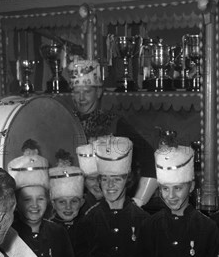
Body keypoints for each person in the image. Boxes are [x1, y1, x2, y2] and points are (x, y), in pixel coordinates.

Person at [67, 58, 158, 207]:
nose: (81, 98)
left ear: (99, 92)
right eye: (77, 92)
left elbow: (149, 158)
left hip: (113, 206)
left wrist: (139, 201)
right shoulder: (66, 123)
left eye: (87, 91)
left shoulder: (114, 123)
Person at [136, 141, 219, 257]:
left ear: (192, 186)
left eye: (178, 188)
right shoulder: (149, 225)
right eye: (165, 189)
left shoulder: (207, 227)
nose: (171, 196)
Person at [76, 136, 150, 257]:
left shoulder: (143, 220)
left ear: (127, 180)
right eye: (104, 179)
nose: (110, 185)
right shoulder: (89, 219)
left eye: (117, 179)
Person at [8, 142, 78, 257]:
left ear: (48, 199)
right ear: (16, 202)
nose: (35, 205)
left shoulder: (58, 232)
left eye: (40, 198)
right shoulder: (8, 234)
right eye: (27, 199)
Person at [49, 162, 85, 257]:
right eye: (62, 202)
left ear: (82, 202)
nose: (68, 207)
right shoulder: (48, 229)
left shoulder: (88, 227)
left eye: (74, 201)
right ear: (53, 204)